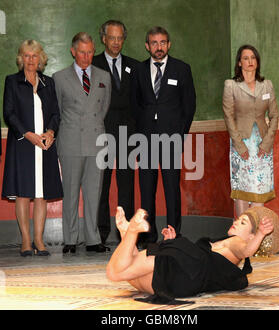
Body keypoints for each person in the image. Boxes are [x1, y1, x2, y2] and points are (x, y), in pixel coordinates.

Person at [106, 205, 279, 303]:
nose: (236, 222)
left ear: (251, 236)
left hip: (184, 265)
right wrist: (172, 242)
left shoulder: (238, 243)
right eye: (238, 219)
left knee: (116, 272)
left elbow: (247, 250)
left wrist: (260, 234)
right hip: (184, 284)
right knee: (129, 275)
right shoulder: (230, 258)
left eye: (243, 222)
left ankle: (131, 233)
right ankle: (127, 235)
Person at [132, 26, 196, 247]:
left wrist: (180, 135)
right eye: (154, 43)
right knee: (147, 191)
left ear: (168, 44)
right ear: (147, 45)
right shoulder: (138, 71)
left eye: (162, 42)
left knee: (171, 190)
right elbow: (135, 106)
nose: (158, 47)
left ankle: (173, 235)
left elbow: (189, 106)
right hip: (146, 140)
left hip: (172, 139)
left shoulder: (182, 69)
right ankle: (148, 236)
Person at [2, 39, 63, 257]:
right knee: (23, 194)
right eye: (26, 56)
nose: (30, 60)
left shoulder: (48, 83)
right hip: (23, 145)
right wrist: (28, 135)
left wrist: (50, 133)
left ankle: (39, 239)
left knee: (41, 194)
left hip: (44, 146)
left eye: (34, 55)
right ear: (21, 59)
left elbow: (56, 113)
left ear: (41, 59)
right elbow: (9, 114)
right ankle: (26, 241)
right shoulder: (12, 81)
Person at [53, 32, 111, 254]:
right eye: (82, 52)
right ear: (73, 51)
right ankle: (70, 239)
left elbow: (103, 110)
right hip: (70, 141)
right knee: (70, 191)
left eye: (90, 52)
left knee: (94, 192)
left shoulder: (104, 76)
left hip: (96, 140)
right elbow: (57, 110)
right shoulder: (59, 78)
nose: (87, 57)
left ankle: (93, 239)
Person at [92, 20, 139, 245]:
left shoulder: (134, 66)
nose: (116, 42)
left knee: (127, 184)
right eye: (112, 38)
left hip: (129, 135)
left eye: (120, 38)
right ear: (104, 39)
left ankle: (127, 233)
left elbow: (139, 102)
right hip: (102, 132)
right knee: (102, 184)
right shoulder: (92, 64)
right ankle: (100, 234)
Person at [223, 45, 279, 217]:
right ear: (239, 63)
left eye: (253, 58)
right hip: (242, 145)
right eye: (246, 58)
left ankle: (257, 237)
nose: (250, 61)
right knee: (242, 190)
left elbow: (275, 115)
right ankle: (243, 238)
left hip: (262, 146)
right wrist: (239, 145)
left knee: (259, 189)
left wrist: (267, 143)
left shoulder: (267, 85)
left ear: (257, 62)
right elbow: (228, 116)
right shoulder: (231, 85)